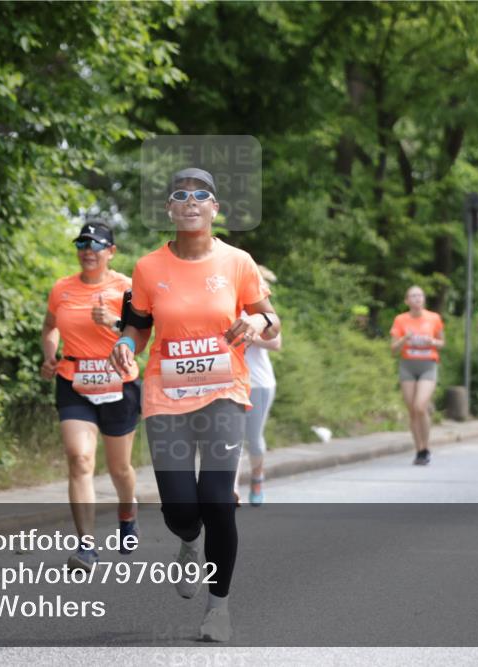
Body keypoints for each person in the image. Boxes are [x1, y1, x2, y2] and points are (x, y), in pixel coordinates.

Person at [109, 167, 280, 642]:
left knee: (218, 502)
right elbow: (137, 325)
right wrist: (126, 343)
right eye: (180, 196)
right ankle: (188, 540)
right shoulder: (147, 268)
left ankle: (218, 609)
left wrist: (257, 325)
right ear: (169, 209)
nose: (190, 202)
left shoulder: (238, 261)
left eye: (200, 195)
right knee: (180, 509)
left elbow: (271, 319)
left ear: (214, 208)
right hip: (166, 395)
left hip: (224, 390)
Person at [41, 221, 147, 570]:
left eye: (96, 244)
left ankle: (127, 513)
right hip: (74, 379)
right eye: (82, 243)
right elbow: (50, 326)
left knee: (119, 468)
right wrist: (49, 355)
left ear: (111, 252)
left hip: (119, 382)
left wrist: (114, 324)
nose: (88, 250)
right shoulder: (62, 288)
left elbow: (143, 336)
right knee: (79, 458)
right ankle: (86, 545)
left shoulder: (129, 287)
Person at [390, 286, 445, 465]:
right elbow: (393, 349)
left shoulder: (434, 318)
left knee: (420, 406)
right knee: (412, 411)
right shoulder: (400, 320)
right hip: (408, 365)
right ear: (407, 301)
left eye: (420, 295)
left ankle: (426, 446)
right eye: (413, 296)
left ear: (424, 299)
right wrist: (404, 339)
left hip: (428, 365)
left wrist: (432, 341)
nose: (417, 299)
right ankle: (419, 449)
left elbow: (442, 343)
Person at [242, 265, 281, 506]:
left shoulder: (258, 308)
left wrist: (250, 336)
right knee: (230, 439)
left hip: (258, 383)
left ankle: (257, 477)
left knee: (253, 439)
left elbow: (276, 343)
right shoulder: (221, 304)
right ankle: (230, 492)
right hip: (230, 381)